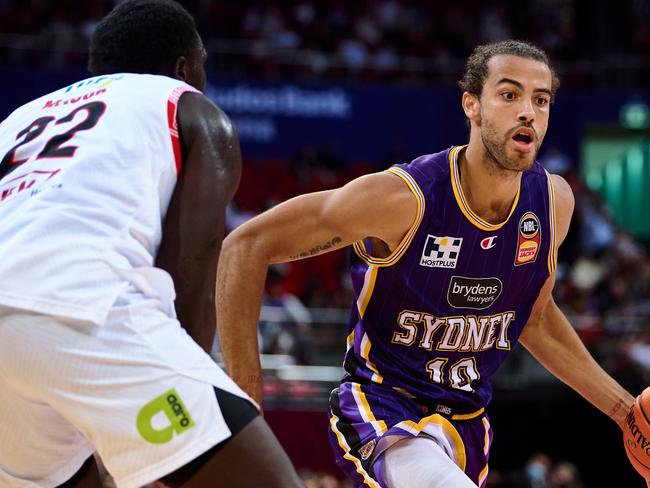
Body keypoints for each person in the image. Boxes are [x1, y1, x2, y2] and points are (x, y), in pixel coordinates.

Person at [216, 40, 638, 488]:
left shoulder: (553, 204)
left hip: (467, 424)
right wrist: (247, 407)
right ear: (471, 105)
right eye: (509, 95)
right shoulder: (405, 199)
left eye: (541, 100)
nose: (528, 112)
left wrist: (624, 411)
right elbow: (246, 245)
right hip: (384, 410)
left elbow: (533, 317)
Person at [0, 1, 303, 487]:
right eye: (202, 63)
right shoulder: (188, 105)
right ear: (183, 68)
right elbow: (196, 261)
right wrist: (187, 397)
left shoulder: (18, 120)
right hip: (84, 306)